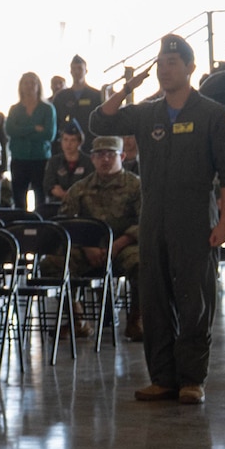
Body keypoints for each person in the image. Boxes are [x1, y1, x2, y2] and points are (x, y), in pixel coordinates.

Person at [91, 35, 225, 404]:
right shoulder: (147, 112)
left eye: (173, 62)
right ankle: (163, 377)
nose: (165, 69)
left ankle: (191, 379)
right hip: (153, 217)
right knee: (154, 298)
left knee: (194, 300)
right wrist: (127, 88)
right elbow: (97, 122)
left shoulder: (211, 114)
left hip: (195, 218)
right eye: (161, 63)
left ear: (190, 67)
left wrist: (224, 223)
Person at [59, 136, 143, 341]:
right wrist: (86, 246)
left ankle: (136, 320)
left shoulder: (137, 186)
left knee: (143, 263)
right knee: (54, 263)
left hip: (125, 245)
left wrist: (119, 244)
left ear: (122, 156)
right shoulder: (79, 188)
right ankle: (77, 319)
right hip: (89, 248)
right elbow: (65, 223)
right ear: (92, 159)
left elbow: (147, 222)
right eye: (99, 155)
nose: (105, 159)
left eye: (110, 154)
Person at [3, 72, 57, 215]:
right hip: (19, 159)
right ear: (21, 86)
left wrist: (21, 132)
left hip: (40, 158)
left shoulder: (47, 108)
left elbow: (49, 134)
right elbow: (10, 130)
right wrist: (33, 128)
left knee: (41, 196)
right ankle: (21, 226)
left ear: (38, 86)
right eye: (25, 83)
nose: (29, 86)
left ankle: (42, 227)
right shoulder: (15, 109)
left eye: (32, 82)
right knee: (19, 198)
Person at [53, 56, 103, 154]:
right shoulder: (61, 97)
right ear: (70, 71)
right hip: (67, 146)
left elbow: (102, 122)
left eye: (80, 68)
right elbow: (56, 123)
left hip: (90, 145)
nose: (76, 72)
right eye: (74, 69)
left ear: (86, 71)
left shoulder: (96, 96)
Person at [44, 120, 94, 213]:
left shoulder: (89, 161)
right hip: (57, 205)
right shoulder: (54, 161)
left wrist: (69, 195)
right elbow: (49, 185)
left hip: (83, 207)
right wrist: (65, 195)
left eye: (73, 140)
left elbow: (89, 186)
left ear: (79, 142)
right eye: (65, 139)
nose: (68, 144)